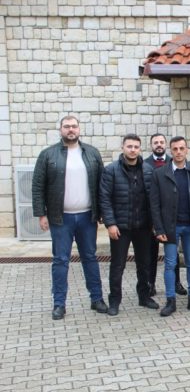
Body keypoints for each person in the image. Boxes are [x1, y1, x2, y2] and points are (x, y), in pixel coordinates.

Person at [32, 115, 107, 320]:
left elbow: (102, 184)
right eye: (67, 126)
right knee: (60, 261)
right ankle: (59, 304)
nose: (71, 130)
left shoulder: (91, 153)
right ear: (61, 130)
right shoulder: (48, 155)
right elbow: (38, 186)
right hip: (60, 218)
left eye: (74, 126)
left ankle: (97, 298)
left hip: (87, 218)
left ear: (79, 129)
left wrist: (102, 212)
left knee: (90, 257)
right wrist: (41, 214)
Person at [99, 134, 159, 315]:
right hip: (120, 227)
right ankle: (114, 300)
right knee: (118, 266)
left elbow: (154, 199)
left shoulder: (148, 170)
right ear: (123, 148)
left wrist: (155, 223)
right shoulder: (111, 170)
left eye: (136, 147)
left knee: (144, 264)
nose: (133, 150)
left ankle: (144, 296)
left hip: (143, 227)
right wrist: (110, 223)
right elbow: (104, 199)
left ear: (140, 149)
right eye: (129, 146)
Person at [150, 136, 190, 317]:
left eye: (182, 148)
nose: (179, 152)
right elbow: (154, 204)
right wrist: (159, 228)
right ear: (170, 150)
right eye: (175, 149)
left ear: (187, 149)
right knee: (170, 264)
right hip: (170, 227)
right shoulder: (160, 173)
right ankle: (170, 300)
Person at [144, 133, 187, 297]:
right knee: (150, 253)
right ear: (151, 145)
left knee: (172, 253)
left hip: (171, 217)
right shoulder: (144, 164)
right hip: (152, 216)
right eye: (156, 142)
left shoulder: (174, 161)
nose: (159, 145)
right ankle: (150, 284)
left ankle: (176, 283)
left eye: (161, 142)